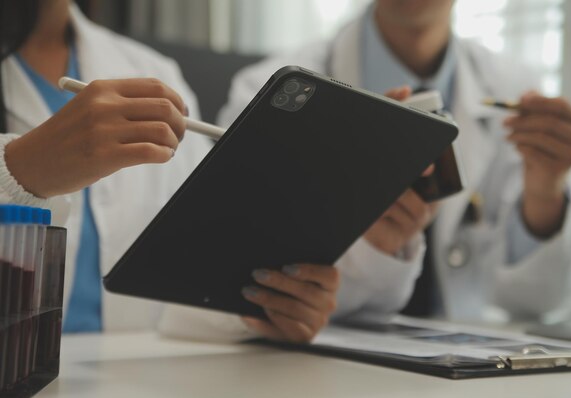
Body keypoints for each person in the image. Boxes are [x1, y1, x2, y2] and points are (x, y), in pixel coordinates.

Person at [217, 0, 571, 323]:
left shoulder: (515, 89)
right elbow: (235, 274)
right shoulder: (267, 92)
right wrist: (373, 249)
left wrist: (545, 194)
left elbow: (539, 301)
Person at [0, 0, 343, 343]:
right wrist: (18, 170)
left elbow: (182, 289)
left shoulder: (154, 71)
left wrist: (258, 306)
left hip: (128, 383)